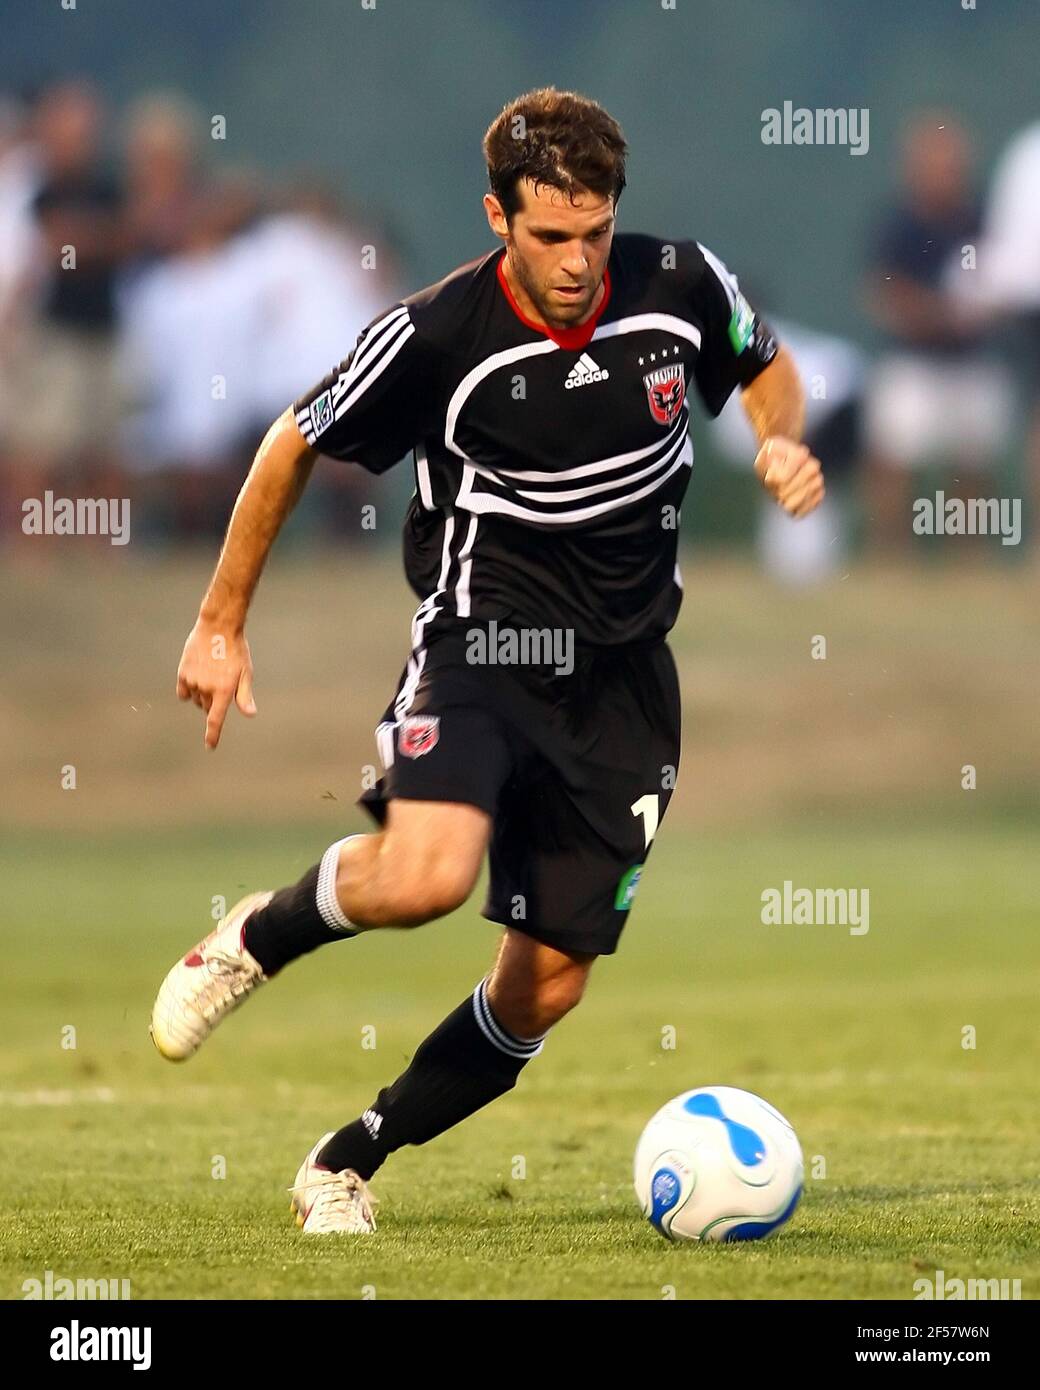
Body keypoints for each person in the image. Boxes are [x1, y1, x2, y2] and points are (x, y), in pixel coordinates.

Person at [150, 87, 824, 1235]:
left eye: (594, 232)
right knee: (423, 876)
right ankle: (254, 936)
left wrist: (776, 437)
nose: (576, 261)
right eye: (549, 235)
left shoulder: (679, 286)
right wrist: (220, 620)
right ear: (497, 218)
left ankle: (345, 1158)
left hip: (620, 685)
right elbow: (291, 441)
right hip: (481, 646)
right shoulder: (435, 333)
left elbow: (760, 364)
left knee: (545, 985)